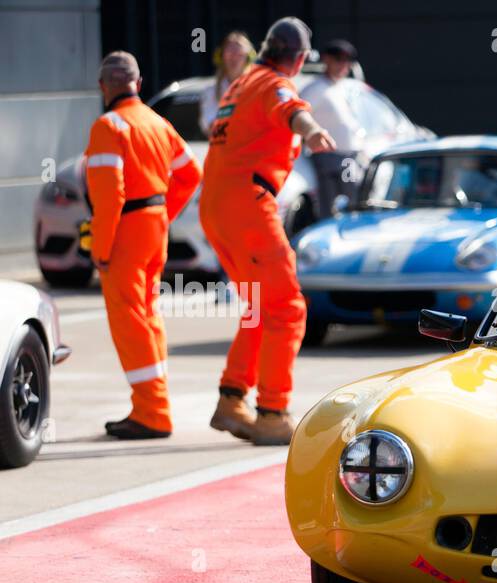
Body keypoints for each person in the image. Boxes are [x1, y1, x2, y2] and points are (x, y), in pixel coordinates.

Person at [200, 16, 336, 445]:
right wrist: (312, 130)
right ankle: (273, 412)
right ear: (296, 60)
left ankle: (231, 399)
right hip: (247, 207)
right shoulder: (275, 83)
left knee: (259, 306)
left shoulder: (241, 83)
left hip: (218, 208)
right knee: (288, 309)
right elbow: (290, 110)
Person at [84, 51, 201, 440]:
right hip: (154, 229)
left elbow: (110, 196)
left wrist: (100, 249)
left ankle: (151, 412)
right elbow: (190, 173)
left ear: (104, 87)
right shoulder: (157, 122)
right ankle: (152, 405)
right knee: (148, 316)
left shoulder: (108, 126)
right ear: (139, 83)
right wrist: (164, 213)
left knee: (130, 320)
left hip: (127, 232)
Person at [298, 39, 364, 215]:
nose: (344, 66)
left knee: (354, 207)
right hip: (330, 160)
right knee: (334, 210)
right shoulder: (315, 88)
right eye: (339, 60)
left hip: (348, 158)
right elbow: (296, 117)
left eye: (348, 62)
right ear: (326, 59)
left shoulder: (342, 86)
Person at [199, 31, 255, 137]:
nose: (234, 58)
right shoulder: (211, 91)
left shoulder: (257, 88)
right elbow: (211, 126)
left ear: (248, 57)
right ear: (221, 56)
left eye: (238, 54)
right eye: (230, 53)